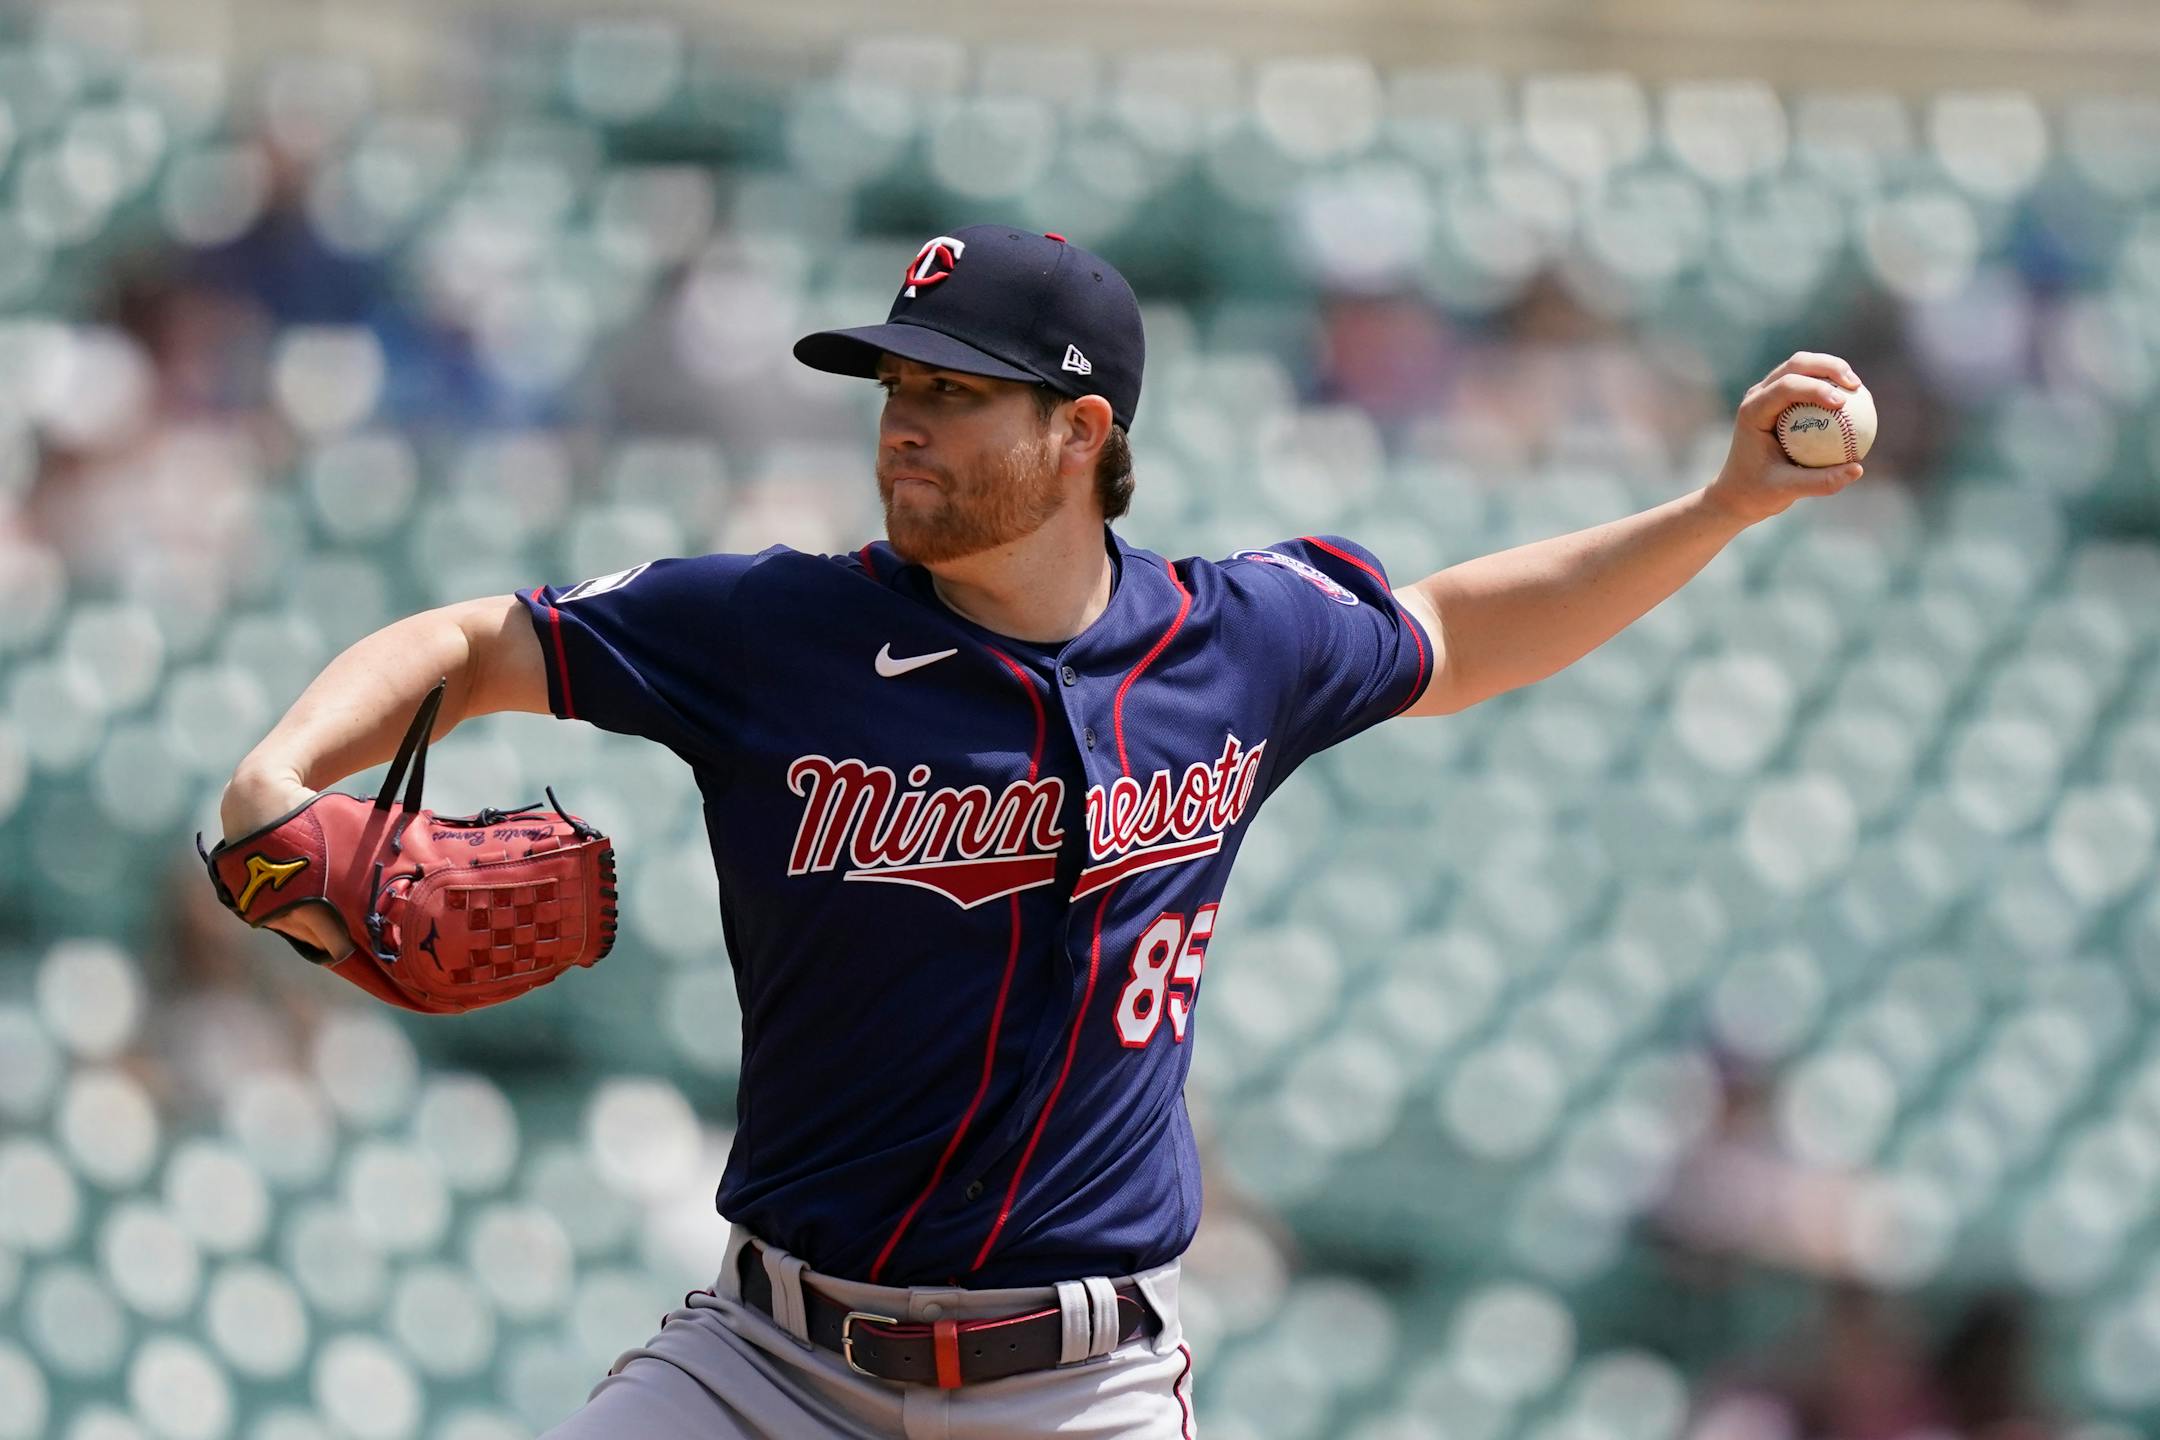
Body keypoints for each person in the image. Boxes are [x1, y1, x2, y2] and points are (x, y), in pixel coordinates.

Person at [217, 223, 1869, 1438]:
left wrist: (1716, 508)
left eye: (955, 394)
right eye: (895, 387)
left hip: (1075, 1393)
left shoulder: (1240, 643)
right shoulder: (773, 632)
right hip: (766, 1367)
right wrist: (277, 781)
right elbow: (476, 640)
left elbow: (1452, 630)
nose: (903, 423)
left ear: (1083, 434)